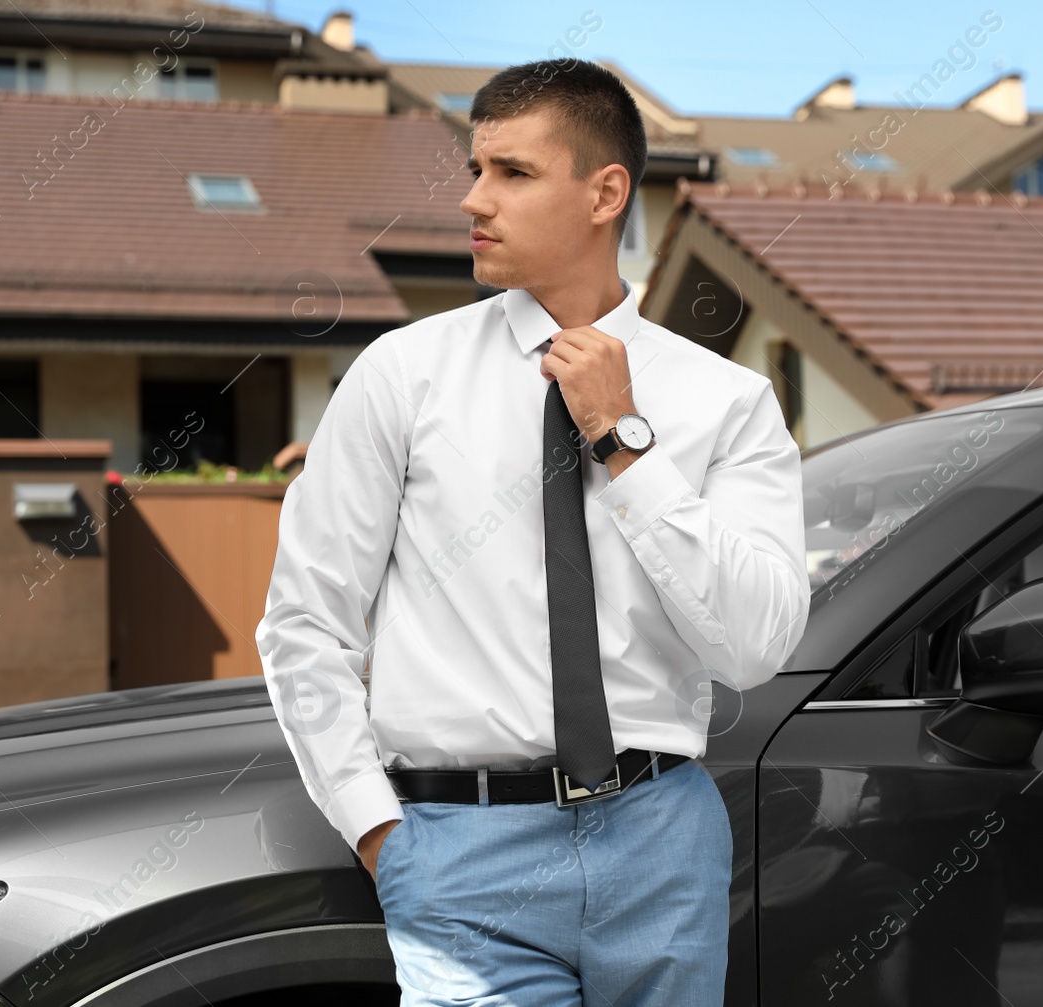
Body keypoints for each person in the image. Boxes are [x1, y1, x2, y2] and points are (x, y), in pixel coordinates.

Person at [255, 57, 809, 1007]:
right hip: (459, 852)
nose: (475, 199)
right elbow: (305, 624)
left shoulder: (729, 403)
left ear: (605, 193)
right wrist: (381, 836)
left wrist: (625, 440)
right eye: (476, 170)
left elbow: (755, 646)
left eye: (512, 173)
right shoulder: (402, 376)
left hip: (662, 841)